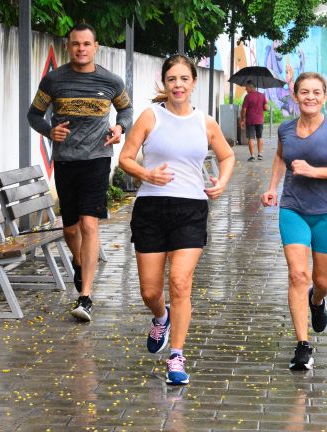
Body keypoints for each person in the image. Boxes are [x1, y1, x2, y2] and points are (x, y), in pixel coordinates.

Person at [118, 54, 235, 385]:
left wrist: (222, 181)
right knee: (149, 291)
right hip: (151, 210)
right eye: (172, 79)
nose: (178, 85)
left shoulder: (205, 122)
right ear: (164, 83)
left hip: (191, 209)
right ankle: (160, 317)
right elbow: (125, 158)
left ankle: (177, 356)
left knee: (180, 282)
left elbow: (227, 156)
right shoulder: (149, 116)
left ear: (193, 83)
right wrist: (146, 173)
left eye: (184, 79)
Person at [27, 22, 133, 322]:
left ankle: (85, 296)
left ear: (95, 46)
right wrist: (50, 130)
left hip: (97, 160)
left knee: (89, 225)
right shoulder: (54, 81)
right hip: (65, 161)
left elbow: (125, 110)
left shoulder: (110, 81)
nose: (81, 49)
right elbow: (33, 114)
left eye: (86, 44)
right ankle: (78, 260)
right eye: (76, 44)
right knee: (70, 229)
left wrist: (120, 127)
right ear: (68, 46)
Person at [261, 72, 327, 370]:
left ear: (324, 97)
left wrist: (313, 171)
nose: (310, 97)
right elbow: (280, 158)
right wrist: (272, 187)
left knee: (322, 282)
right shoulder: (285, 129)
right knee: (297, 276)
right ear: (295, 95)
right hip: (293, 209)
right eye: (305, 92)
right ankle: (302, 344)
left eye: (316, 92)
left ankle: (317, 302)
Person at [240, 81, 269, 161]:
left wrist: (242, 120)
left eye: (246, 87)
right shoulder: (262, 95)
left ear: (250, 87)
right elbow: (266, 108)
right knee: (260, 137)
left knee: (251, 138)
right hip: (260, 120)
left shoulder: (248, 96)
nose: (245, 89)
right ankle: (260, 155)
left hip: (250, 120)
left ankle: (252, 156)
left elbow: (244, 109)